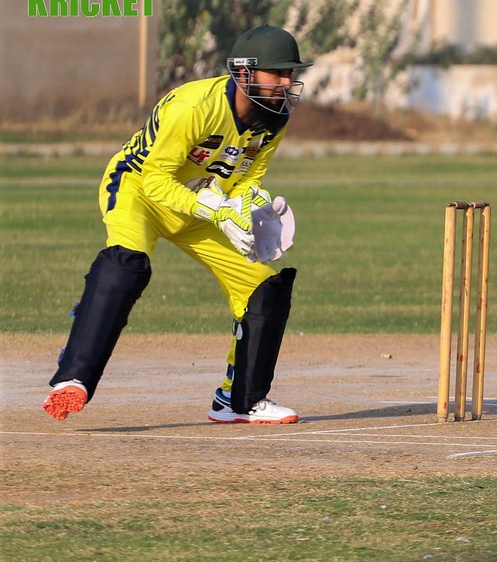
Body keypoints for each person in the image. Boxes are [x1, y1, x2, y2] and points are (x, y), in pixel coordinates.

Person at [42, 25, 310, 424]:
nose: (287, 83)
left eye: (290, 74)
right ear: (245, 72)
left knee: (263, 288)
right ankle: (73, 377)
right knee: (128, 264)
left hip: (201, 206)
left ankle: (239, 400)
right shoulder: (194, 106)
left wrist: (251, 209)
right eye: (278, 73)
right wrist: (215, 210)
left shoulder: (274, 119)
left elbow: (248, 177)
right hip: (138, 191)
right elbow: (154, 179)